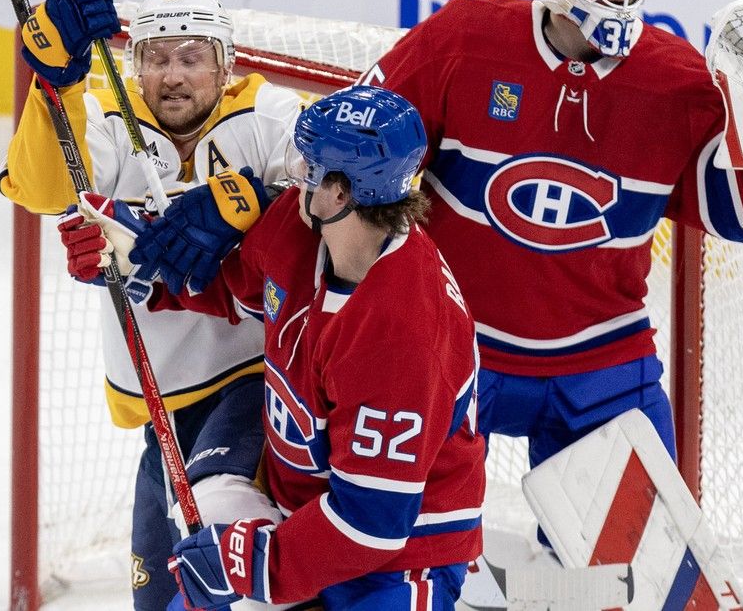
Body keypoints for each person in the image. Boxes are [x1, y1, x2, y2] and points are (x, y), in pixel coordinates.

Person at [118, 0, 743, 550]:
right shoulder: (462, 39)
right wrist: (246, 197)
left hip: (603, 365)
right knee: (398, 551)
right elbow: (339, 150)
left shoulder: (675, 78)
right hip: (456, 356)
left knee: (633, 571)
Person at [0, 0, 302, 610]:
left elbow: (346, 206)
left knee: (218, 557)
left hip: (259, 377)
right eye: (156, 57)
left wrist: (261, 198)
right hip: (161, 397)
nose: (173, 74)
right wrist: (56, 81)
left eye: (193, 57)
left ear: (226, 66)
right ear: (134, 66)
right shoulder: (109, 120)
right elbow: (45, 191)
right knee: (160, 594)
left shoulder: (272, 116)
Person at [139, 86, 484, 609]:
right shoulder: (301, 228)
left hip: (402, 556)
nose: (294, 174)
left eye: (309, 165)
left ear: (340, 193)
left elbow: (371, 521)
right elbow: (235, 287)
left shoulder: (402, 330)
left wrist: (254, 563)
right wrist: (140, 263)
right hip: (300, 515)